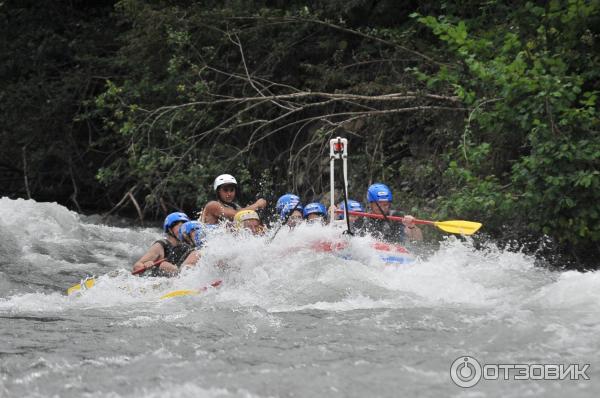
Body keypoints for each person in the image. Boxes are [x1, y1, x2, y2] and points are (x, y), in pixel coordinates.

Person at [354, 183, 423, 243]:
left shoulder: (396, 216)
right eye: (379, 204)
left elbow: (418, 239)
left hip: (394, 252)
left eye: (385, 204)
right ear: (370, 204)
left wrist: (411, 226)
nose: (382, 208)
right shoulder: (362, 218)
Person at [132, 212, 194, 276]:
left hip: (178, 278)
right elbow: (137, 266)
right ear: (170, 229)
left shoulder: (190, 246)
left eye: (185, 228)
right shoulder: (160, 246)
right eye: (180, 228)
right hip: (158, 280)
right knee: (164, 265)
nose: (183, 231)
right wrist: (145, 265)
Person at [200, 174, 267, 225]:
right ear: (218, 192)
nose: (229, 194)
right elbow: (237, 215)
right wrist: (257, 205)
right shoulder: (212, 205)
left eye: (232, 190)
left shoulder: (235, 206)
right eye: (225, 190)